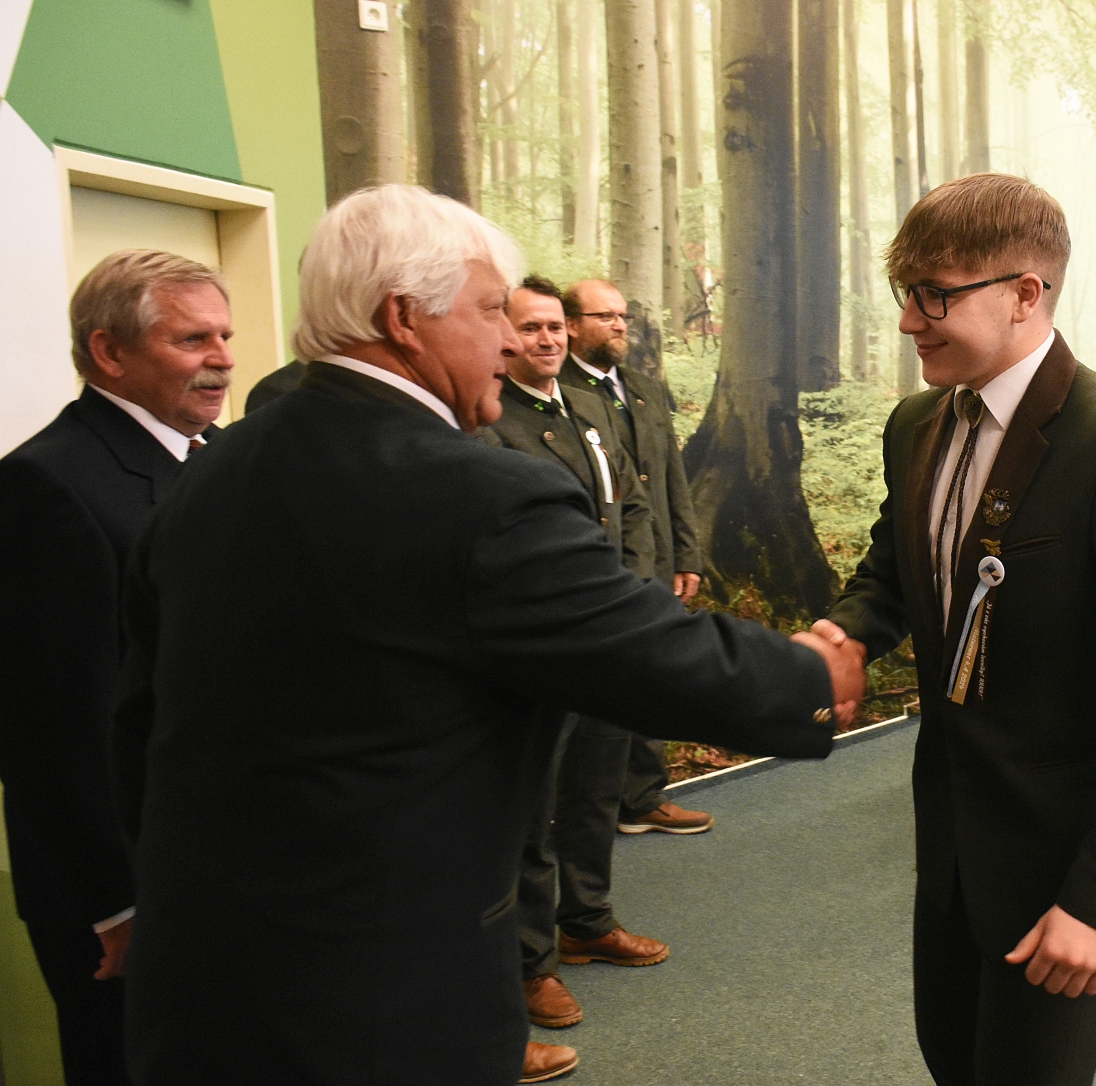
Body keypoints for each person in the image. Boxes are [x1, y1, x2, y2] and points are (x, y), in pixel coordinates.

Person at [112, 185, 863, 1086]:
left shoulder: (210, 470)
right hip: (378, 1000)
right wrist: (809, 676)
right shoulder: (478, 494)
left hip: (199, 976)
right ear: (403, 318)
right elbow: (643, 652)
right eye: (488, 311)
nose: (509, 340)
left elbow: (139, 719)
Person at [807, 173, 1096, 1086]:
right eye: (905, 292)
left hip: (1065, 871)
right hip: (953, 850)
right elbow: (897, 571)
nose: (909, 321)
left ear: (1025, 294)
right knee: (952, 1060)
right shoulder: (917, 425)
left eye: (935, 296)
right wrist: (842, 636)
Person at [0, 250, 231, 1086]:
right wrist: (116, 903)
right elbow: (53, 725)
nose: (223, 358)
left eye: (225, 336)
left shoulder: (223, 458)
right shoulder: (45, 485)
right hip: (126, 891)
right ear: (109, 352)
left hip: (222, 864)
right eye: (193, 339)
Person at [487, 277, 667, 1042]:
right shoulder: (492, 421)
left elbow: (630, 504)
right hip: (542, 649)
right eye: (530, 328)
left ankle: (588, 921)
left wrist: (628, 598)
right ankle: (533, 964)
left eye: (555, 327)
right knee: (533, 813)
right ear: (505, 338)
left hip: (606, 636)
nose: (547, 340)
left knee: (595, 787)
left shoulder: (589, 407)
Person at [559, 279, 715, 839]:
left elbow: (672, 478)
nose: (619, 326)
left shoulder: (644, 389)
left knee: (651, 675)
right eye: (604, 316)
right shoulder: (559, 391)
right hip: (601, 563)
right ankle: (583, 804)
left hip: (658, 557)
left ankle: (643, 797)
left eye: (622, 316)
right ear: (572, 325)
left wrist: (688, 554)